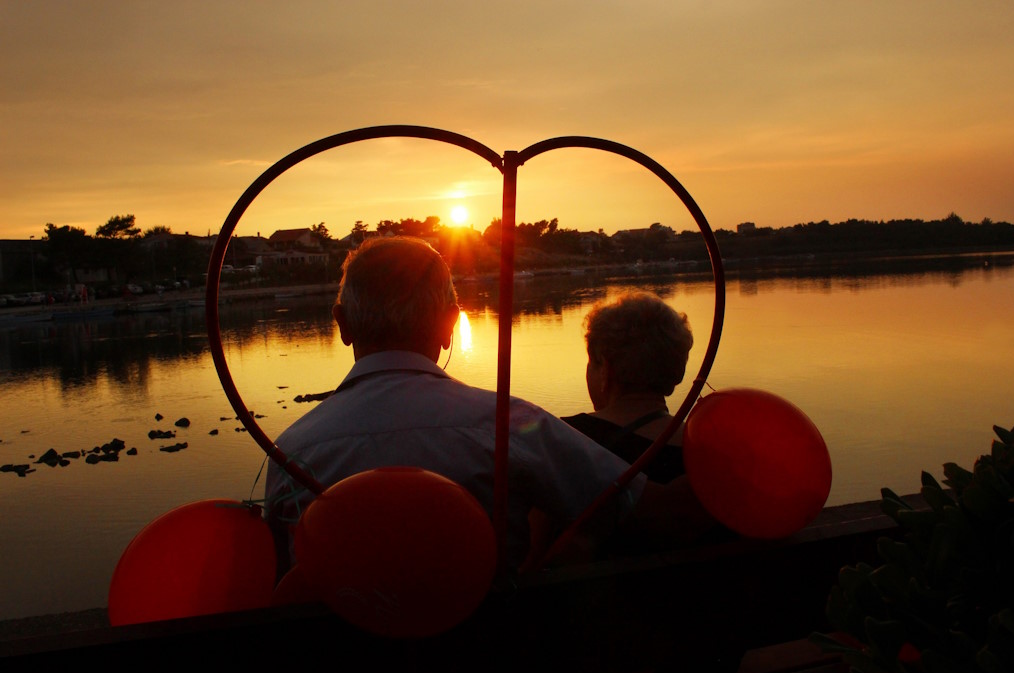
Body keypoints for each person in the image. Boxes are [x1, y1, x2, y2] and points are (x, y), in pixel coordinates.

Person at [264, 237, 707, 576]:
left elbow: (283, 578)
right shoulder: (509, 426)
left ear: (342, 325)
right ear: (450, 324)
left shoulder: (292, 451)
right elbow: (658, 511)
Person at [562, 293, 693, 484]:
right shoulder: (702, 453)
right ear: (677, 373)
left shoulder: (563, 440)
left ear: (606, 369)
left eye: (591, 362)